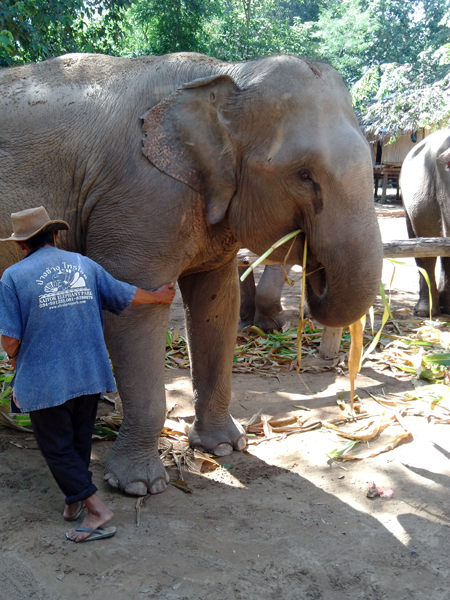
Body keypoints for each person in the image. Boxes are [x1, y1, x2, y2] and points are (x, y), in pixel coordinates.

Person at [0, 206, 175, 542]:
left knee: (56, 449)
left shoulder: (14, 277)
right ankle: (73, 501)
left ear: (22, 246)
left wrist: (14, 356)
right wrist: (158, 296)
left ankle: (97, 510)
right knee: (78, 441)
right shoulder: (85, 265)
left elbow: (9, 339)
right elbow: (124, 294)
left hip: (46, 380)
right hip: (90, 374)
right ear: (54, 235)